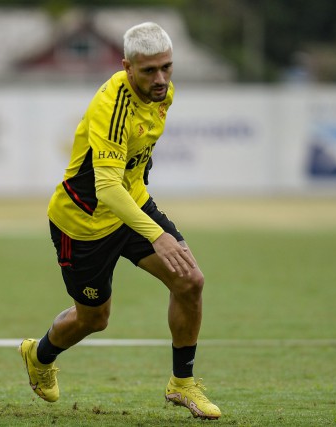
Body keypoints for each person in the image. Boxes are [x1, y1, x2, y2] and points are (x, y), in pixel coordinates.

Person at [18, 22, 221, 420]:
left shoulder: (163, 93)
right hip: (84, 223)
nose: (160, 78)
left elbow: (129, 174)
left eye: (167, 67)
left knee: (190, 281)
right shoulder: (112, 106)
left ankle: (182, 385)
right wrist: (157, 235)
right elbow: (107, 187)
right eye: (149, 70)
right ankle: (38, 355)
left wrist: (151, 223)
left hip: (133, 205)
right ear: (127, 67)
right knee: (94, 319)